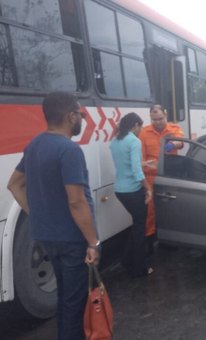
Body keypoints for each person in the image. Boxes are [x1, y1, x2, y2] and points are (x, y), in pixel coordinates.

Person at [7, 92, 100, 340]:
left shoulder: (35, 144)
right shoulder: (69, 150)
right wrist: (93, 242)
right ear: (71, 116)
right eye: (80, 114)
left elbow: (14, 185)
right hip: (72, 239)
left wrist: (38, 214)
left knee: (64, 298)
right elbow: (76, 201)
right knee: (74, 303)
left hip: (48, 236)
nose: (82, 119)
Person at [110, 112, 152, 277]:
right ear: (135, 125)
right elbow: (136, 171)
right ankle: (139, 268)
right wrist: (148, 189)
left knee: (136, 225)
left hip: (120, 190)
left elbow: (125, 163)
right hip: (133, 190)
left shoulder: (116, 140)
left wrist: (143, 162)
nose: (141, 130)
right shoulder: (134, 141)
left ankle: (126, 260)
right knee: (140, 229)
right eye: (140, 126)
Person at [139, 104, 184, 253]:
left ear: (166, 115)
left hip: (169, 175)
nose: (157, 122)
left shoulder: (174, 129)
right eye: (154, 119)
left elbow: (181, 142)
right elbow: (142, 158)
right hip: (151, 176)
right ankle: (149, 242)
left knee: (171, 208)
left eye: (160, 118)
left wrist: (172, 144)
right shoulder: (144, 133)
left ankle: (170, 240)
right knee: (150, 212)